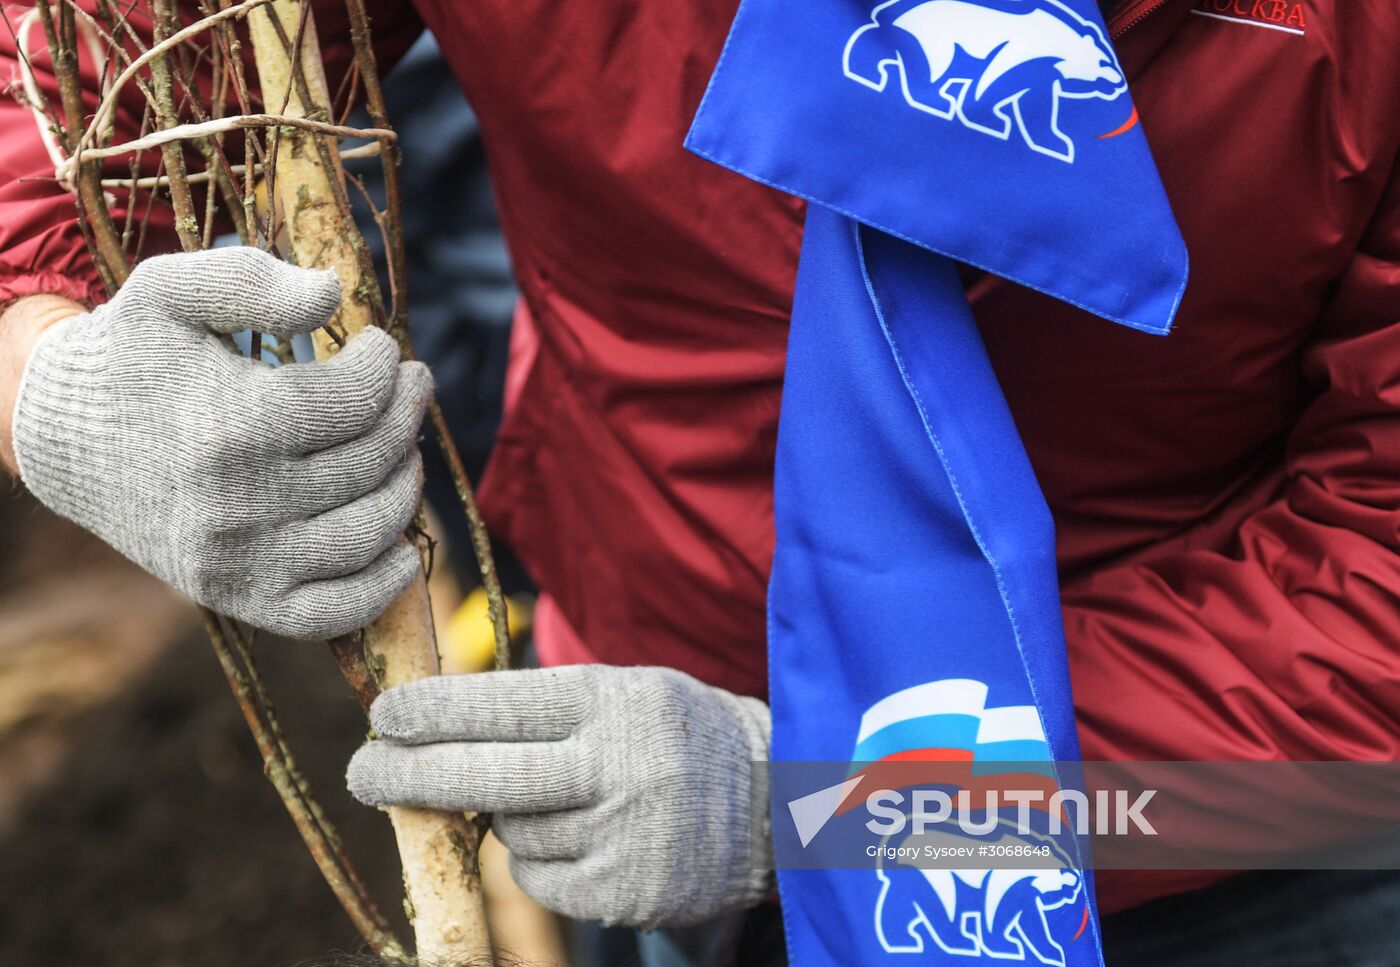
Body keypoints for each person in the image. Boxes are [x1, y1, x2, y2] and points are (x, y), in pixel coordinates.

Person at [1, 1, 1397, 964]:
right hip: (629, 753)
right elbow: (82, 79)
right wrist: (50, 380)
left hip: (1220, 837)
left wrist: (837, 801)